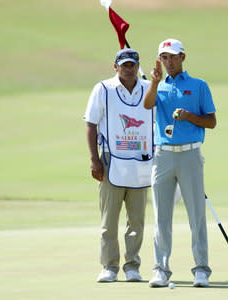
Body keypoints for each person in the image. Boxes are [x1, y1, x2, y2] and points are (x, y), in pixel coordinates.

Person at [143, 38, 217, 288]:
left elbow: (211, 121)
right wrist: (153, 82)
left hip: (190, 155)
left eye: (173, 57)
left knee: (196, 214)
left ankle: (201, 269)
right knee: (161, 215)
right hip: (163, 155)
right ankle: (161, 269)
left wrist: (189, 117)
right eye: (164, 57)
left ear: (183, 57)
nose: (169, 61)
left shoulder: (199, 85)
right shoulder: (157, 85)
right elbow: (147, 104)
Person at [84, 48, 154, 283]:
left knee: (136, 220)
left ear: (137, 66)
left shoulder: (148, 88)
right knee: (109, 220)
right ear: (115, 67)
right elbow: (91, 124)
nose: (128, 68)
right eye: (124, 65)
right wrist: (94, 159)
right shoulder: (103, 89)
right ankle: (110, 266)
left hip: (141, 161)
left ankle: (132, 265)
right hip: (110, 159)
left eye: (132, 65)